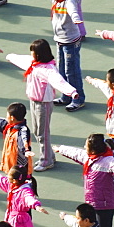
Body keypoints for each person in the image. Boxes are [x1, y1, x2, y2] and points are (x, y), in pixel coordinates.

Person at [7, 39, 81, 171]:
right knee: (37, 131)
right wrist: (11, 57)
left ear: (40, 54)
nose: (31, 54)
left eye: (33, 52)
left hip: (43, 104)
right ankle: (49, 156)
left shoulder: (48, 69)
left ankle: (46, 160)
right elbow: (21, 59)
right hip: (34, 102)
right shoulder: (33, 64)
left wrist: (72, 92)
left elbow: (59, 82)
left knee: (43, 133)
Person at [20, 0, 84, 112]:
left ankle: (78, 99)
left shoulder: (69, 0)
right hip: (59, 40)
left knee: (71, 71)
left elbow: (72, 10)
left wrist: (76, 19)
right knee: (60, 69)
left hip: (70, 41)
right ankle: (66, 96)